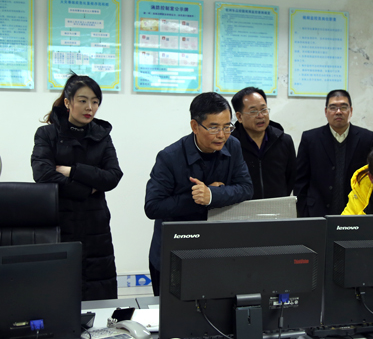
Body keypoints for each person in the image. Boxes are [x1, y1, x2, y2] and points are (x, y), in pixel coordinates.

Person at [145, 92, 253, 296]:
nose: (222, 135)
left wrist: (212, 194)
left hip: (217, 250)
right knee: (173, 312)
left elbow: (246, 188)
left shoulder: (233, 146)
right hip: (174, 252)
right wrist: (195, 199)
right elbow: (153, 206)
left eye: (227, 126)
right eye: (214, 127)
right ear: (194, 126)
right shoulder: (170, 157)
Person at [31, 72, 123, 301]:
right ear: (67, 102)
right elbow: (43, 175)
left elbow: (113, 176)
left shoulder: (102, 136)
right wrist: (87, 189)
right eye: (83, 100)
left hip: (96, 226)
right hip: (59, 222)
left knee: (100, 293)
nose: (89, 107)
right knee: (59, 294)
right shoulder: (47, 134)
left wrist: (72, 170)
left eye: (95, 101)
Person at [294, 90, 373, 217]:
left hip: (356, 212)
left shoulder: (367, 138)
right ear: (326, 111)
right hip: (317, 213)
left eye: (343, 107)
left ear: (351, 110)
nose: (338, 112)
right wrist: (304, 213)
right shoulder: (310, 139)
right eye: (333, 107)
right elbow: (300, 181)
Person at [230, 87, 296, 199]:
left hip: (277, 206)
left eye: (263, 109)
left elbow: (291, 178)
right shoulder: (230, 144)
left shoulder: (284, 141)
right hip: (242, 207)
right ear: (239, 117)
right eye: (253, 111)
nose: (260, 116)